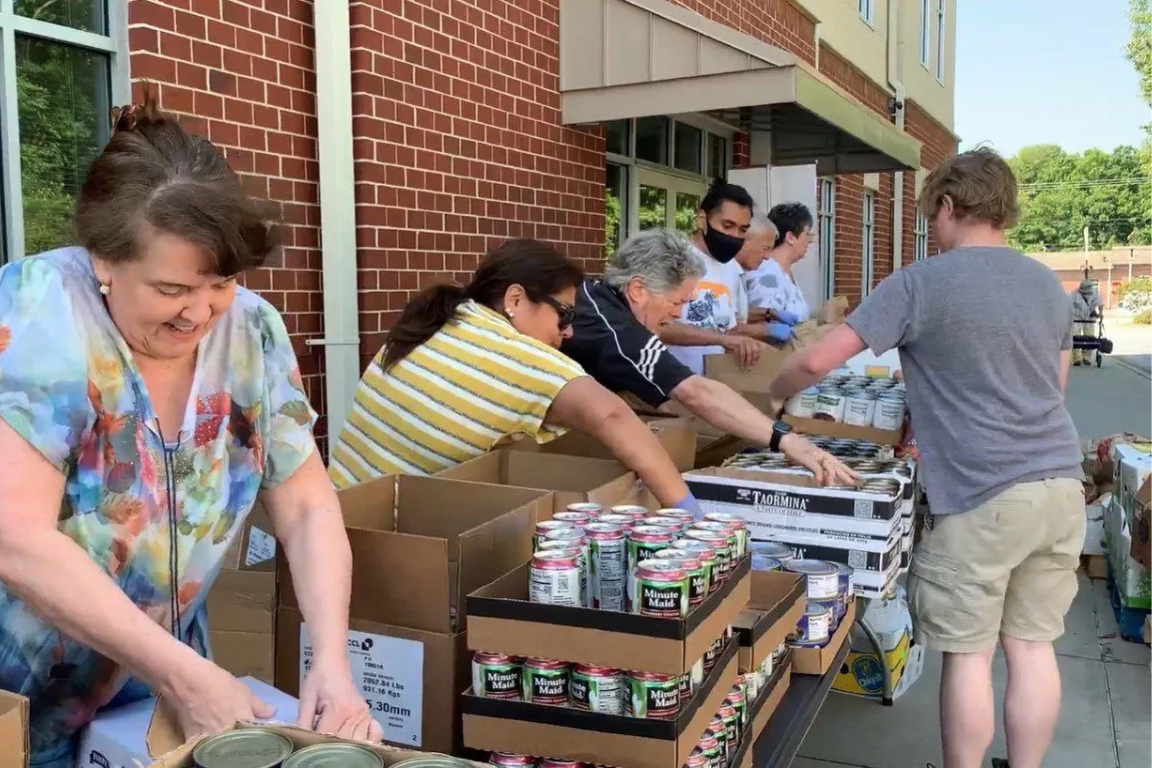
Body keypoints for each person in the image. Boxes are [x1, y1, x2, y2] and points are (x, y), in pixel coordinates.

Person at [0, 93, 378, 767]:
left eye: (222, 281)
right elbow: (15, 534)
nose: (199, 313)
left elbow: (307, 505)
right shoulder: (40, 315)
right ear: (103, 261)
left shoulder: (252, 330)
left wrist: (331, 660)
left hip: (162, 689)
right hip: (18, 699)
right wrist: (178, 671)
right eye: (172, 289)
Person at [764, 148, 1082, 768]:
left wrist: (773, 398)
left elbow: (816, 362)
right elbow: (1052, 388)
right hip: (1060, 487)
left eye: (930, 214)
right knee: (1031, 647)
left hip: (981, 498)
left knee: (968, 654)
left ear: (947, 204)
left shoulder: (921, 282)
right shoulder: (1047, 283)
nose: (931, 229)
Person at [327, 239, 699, 512]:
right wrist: (690, 514)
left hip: (335, 504)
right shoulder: (521, 357)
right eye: (564, 315)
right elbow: (614, 417)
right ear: (516, 300)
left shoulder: (445, 318)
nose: (568, 333)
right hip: (376, 534)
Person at [561, 228, 857, 486]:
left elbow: (669, 398)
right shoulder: (617, 330)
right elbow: (695, 394)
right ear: (638, 289)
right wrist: (785, 439)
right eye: (677, 302)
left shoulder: (600, 299)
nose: (678, 314)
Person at [660, 179, 771, 373]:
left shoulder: (732, 269)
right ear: (702, 220)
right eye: (727, 226)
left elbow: (727, 329)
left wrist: (750, 344)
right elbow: (656, 328)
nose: (734, 235)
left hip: (712, 381)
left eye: (742, 230)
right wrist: (722, 339)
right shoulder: (671, 257)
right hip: (667, 387)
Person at [743, 202, 815, 331]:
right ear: (790, 237)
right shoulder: (767, 275)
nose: (810, 240)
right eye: (808, 234)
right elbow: (760, 328)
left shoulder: (785, 272)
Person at [1071, 278, 1104, 366]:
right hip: (1077, 317)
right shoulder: (1074, 294)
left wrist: (1100, 313)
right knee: (1075, 337)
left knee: (1090, 337)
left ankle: (1086, 357)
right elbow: (1068, 305)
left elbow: (1100, 303)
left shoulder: (1095, 293)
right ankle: (1076, 358)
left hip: (1090, 316)